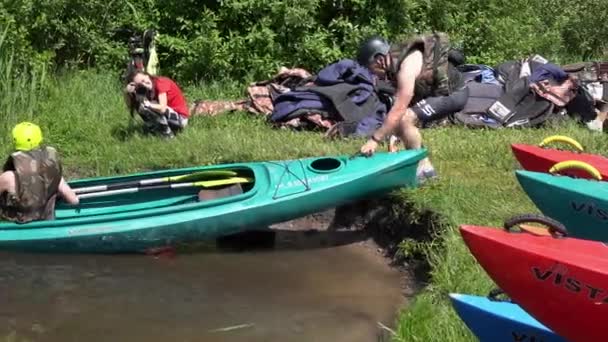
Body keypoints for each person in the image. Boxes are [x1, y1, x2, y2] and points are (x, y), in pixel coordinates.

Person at [357, 32, 467, 182]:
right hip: (442, 93)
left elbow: (400, 109)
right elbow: (399, 106)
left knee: (405, 119)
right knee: (402, 121)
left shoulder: (406, 67)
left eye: (371, 69)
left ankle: (422, 170)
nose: (373, 74)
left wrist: (374, 140)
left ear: (379, 60)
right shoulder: (395, 65)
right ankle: (424, 168)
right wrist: (395, 134)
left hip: (455, 93)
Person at [0, 122, 79, 223]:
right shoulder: (51, 172)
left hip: (15, 225)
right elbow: (74, 200)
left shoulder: (9, 177)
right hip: (46, 221)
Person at [124, 71, 190, 138]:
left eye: (143, 80)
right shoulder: (147, 90)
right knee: (141, 107)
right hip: (170, 118)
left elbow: (162, 108)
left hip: (181, 119)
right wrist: (131, 94)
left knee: (146, 107)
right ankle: (156, 132)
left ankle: (168, 135)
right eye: (140, 84)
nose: (144, 84)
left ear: (147, 76)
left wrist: (149, 105)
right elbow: (136, 107)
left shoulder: (160, 83)